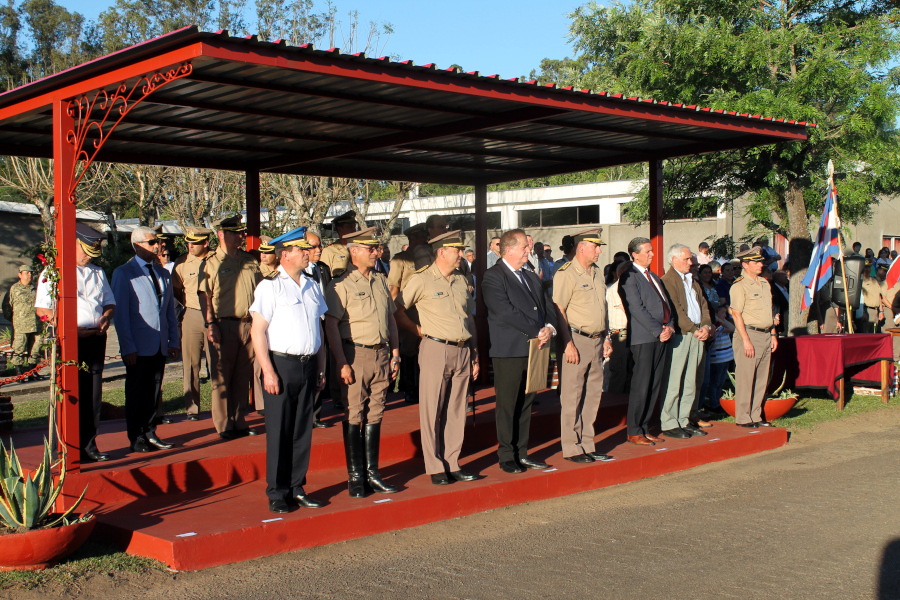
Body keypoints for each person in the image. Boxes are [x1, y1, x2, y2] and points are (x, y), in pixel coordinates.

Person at [249, 231, 328, 513]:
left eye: (308, 249)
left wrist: (320, 366)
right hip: (281, 364)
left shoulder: (311, 284)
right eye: (302, 249)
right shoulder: (270, 287)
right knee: (280, 431)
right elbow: (257, 330)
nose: (308, 253)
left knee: (302, 430)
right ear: (286, 254)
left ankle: (297, 486)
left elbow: (317, 328)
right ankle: (277, 491)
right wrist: (268, 371)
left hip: (308, 364)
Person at [394, 230, 480, 485]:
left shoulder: (462, 281)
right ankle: (435, 466)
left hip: (462, 349)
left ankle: (453, 462)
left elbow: (470, 317)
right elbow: (398, 310)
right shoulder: (421, 280)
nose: (461, 256)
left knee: (457, 411)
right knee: (432, 410)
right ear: (441, 252)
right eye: (457, 251)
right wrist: (417, 330)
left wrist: (474, 352)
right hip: (435, 348)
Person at [324, 228, 401, 497]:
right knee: (354, 413)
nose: (375, 252)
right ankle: (355, 476)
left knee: (376, 412)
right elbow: (332, 326)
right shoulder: (340, 285)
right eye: (369, 248)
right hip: (356, 355)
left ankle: (373, 473)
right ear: (353, 251)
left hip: (381, 354)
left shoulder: (380, 280)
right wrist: (341, 361)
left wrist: (395, 353)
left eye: (376, 247)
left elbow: (390, 318)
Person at [36, 224, 115, 462]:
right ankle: (66, 446)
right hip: (69, 341)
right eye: (85, 251)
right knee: (70, 393)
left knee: (93, 395)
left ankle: (89, 445)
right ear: (74, 244)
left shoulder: (98, 272)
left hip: (95, 338)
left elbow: (110, 303)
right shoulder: (54, 272)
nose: (87, 257)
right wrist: (67, 328)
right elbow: (43, 309)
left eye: (92, 253)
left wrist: (106, 317)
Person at [482, 229, 557, 473]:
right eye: (525, 246)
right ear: (510, 249)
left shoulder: (530, 276)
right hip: (510, 350)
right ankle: (506, 455)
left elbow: (547, 305)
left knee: (527, 403)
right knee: (507, 404)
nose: (529, 250)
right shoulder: (494, 276)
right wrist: (537, 330)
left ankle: (522, 453)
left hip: (535, 348)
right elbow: (504, 311)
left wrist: (549, 327)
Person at [112, 226, 181, 453]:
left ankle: (151, 432)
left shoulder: (163, 273)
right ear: (137, 245)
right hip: (138, 346)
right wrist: (127, 346)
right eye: (152, 243)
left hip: (159, 344)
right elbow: (121, 315)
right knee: (136, 393)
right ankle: (137, 436)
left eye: (158, 242)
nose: (158, 246)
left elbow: (169, 312)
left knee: (154, 391)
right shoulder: (124, 273)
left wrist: (173, 341)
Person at [199, 214, 263, 440]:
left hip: (248, 325)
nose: (241, 236)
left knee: (242, 376)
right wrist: (210, 323)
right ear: (221, 235)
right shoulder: (211, 263)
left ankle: (239, 420)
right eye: (236, 233)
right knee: (222, 377)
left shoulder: (250, 260)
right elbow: (205, 296)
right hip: (223, 325)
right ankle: (223, 424)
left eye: (242, 232)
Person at [553, 229, 614, 462]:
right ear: (581, 247)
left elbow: (603, 308)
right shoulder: (566, 273)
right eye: (596, 246)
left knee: (593, 395)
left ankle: (588, 443)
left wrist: (607, 336)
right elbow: (559, 310)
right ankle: (571, 447)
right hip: (576, 339)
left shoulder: (598, 273)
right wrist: (568, 343)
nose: (599, 251)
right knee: (572, 396)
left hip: (598, 339)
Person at [618, 237, 674, 446]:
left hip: (662, 335)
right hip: (644, 338)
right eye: (647, 251)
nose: (652, 254)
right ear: (635, 254)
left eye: (651, 251)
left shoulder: (653, 277)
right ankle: (633, 430)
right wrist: (657, 330)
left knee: (654, 384)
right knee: (642, 385)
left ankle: (644, 427)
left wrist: (670, 326)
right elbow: (636, 309)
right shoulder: (629, 277)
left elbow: (666, 305)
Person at [659, 244, 712, 439]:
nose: (691, 262)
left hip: (698, 333)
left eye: (691, 259)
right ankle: (669, 421)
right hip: (682, 335)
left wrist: (706, 326)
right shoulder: (668, 281)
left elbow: (704, 306)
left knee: (692, 381)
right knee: (675, 380)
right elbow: (675, 310)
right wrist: (694, 329)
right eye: (687, 259)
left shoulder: (693, 281)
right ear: (674, 260)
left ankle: (684, 419)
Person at [730, 246, 777, 427]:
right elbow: (736, 314)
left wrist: (773, 333)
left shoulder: (764, 283)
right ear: (745, 265)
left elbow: (769, 311)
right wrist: (746, 340)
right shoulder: (740, 285)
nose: (760, 265)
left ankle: (756, 415)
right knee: (746, 377)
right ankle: (743, 417)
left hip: (765, 334)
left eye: (760, 261)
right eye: (756, 262)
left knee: (762, 378)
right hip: (749, 334)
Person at [172, 225, 214, 421]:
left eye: (195, 243)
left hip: (215, 315)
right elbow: (176, 291)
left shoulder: (216, 260)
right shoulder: (181, 263)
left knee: (217, 363)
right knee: (191, 363)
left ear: (205, 243)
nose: (190, 246)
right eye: (188, 242)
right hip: (192, 314)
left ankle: (219, 406)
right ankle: (192, 408)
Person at [388, 223, 429, 405]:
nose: (425, 241)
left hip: (426, 310)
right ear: (413, 239)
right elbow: (394, 288)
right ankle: (410, 388)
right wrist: (395, 313)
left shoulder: (429, 257)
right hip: (408, 311)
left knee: (425, 350)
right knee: (409, 350)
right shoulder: (401, 260)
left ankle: (423, 387)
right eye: (421, 237)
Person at [302, 229, 334, 428]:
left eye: (320, 245)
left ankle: (315, 415)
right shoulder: (299, 271)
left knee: (322, 368)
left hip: (324, 322)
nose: (319, 249)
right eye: (314, 246)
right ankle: (305, 416)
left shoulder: (323, 268)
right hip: (307, 324)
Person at [5, 265, 42, 380]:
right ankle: (19, 373)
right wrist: (15, 319)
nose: (29, 275)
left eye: (31, 273)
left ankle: (32, 371)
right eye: (26, 273)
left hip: (36, 324)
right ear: (20, 275)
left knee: (36, 348)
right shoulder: (14, 288)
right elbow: (7, 307)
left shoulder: (36, 288)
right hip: (21, 324)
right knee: (19, 348)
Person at [606, 260, 633, 394]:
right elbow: (629, 311)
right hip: (620, 334)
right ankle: (614, 402)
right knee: (619, 370)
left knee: (629, 371)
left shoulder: (629, 287)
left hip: (630, 333)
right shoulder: (616, 289)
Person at [705, 304, 734, 415]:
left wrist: (722, 318)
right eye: (723, 313)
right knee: (715, 383)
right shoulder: (717, 327)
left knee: (720, 382)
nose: (725, 315)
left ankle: (718, 402)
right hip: (717, 360)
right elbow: (731, 328)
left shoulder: (722, 325)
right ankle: (714, 404)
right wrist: (716, 319)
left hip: (725, 358)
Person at [320, 211, 359, 278]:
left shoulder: (360, 249)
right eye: (350, 227)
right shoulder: (329, 251)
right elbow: (325, 276)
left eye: (354, 227)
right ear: (339, 229)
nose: (353, 230)